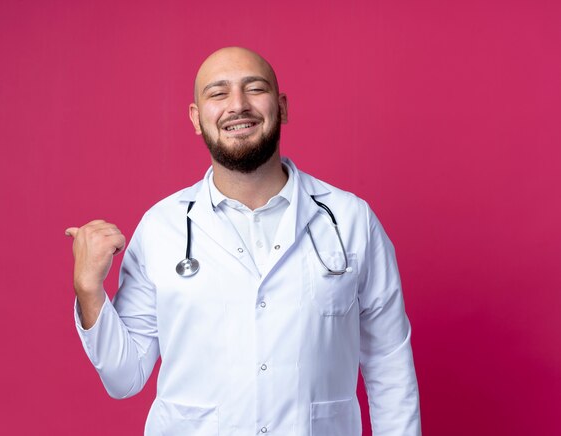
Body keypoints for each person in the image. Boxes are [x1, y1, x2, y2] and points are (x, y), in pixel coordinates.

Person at [65, 47, 421, 436]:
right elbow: (125, 377)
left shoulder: (352, 221)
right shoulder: (161, 228)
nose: (238, 105)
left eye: (254, 88)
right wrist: (89, 290)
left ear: (281, 107)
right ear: (197, 118)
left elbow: (389, 364)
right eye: (218, 93)